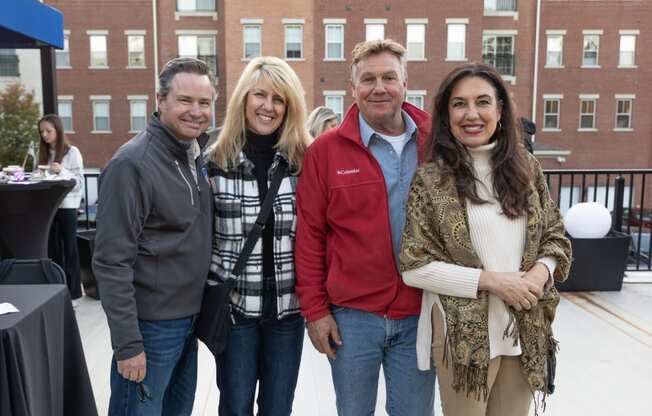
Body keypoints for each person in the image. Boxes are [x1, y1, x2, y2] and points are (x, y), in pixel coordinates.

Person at [399, 63, 572, 416]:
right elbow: (414, 266)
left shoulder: (526, 169)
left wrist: (540, 273)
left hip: (524, 328)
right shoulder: (432, 180)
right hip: (463, 339)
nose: (472, 114)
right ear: (447, 115)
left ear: (500, 110)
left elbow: (555, 234)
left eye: (483, 102)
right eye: (459, 104)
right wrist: (493, 282)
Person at [295, 39, 436, 416]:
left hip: (420, 313)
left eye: (389, 77)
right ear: (352, 88)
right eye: (368, 78)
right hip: (352, 318)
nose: (379, 87)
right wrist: (315, 311)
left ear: (405, 83)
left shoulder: (436, 143)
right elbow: (309, 237)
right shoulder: (325, 152)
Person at [92, 57, 215, 416]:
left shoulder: (194, 157)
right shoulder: (132, 164)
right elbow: (110, 261)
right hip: (149, 330)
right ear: (159, 100)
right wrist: (128, 344)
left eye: (204, 103)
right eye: (185, 100)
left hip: (188, 325)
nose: (196, 111)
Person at [206, 56, 311, 416]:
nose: (268, 107)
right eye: (260, 95)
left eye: (279, 99)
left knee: (278, 407)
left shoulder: (304, 164)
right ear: (243, 100)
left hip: (288, 311)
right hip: (235, 313)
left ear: (289, 107)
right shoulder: (214, 162)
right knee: (234, 406)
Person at [38, 114, 84, 304]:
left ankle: (74, 294)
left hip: (67, 206)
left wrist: (62, 171)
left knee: (70, 249)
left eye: (48, 130)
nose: (45, 135)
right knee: (52, 249)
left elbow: (79, 183)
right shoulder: (42, 153)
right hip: (49, 208)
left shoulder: (72, 152)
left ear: (58, 130)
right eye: (41, 132)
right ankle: (57, 291)